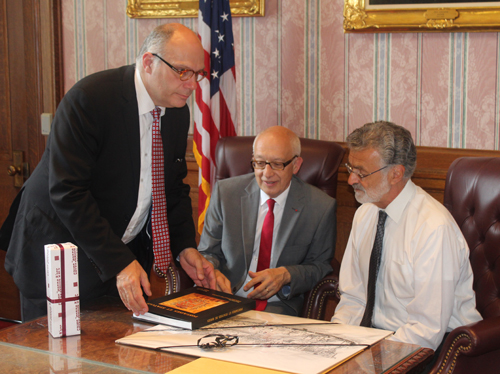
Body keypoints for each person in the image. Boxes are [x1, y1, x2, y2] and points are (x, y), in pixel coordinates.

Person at [0, 23, 215, 322]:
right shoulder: (91, 99)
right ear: (149, 62)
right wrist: (119, 263)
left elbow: (173, 188)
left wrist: (185, 247)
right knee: (56, 360)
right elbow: (68, 193)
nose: (192, 85)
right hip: (59, 251)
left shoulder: (176, 113)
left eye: (198, 74)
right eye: (182, 72)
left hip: (119, 255)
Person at [331, 121, 482, 352]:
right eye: (350, 169)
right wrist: (336, 344)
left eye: (361, 173)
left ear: (396, 174)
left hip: (435, 348)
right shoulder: (365, 214)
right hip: (374, 340)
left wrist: (373, 357)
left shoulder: (433, 228)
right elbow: (353, 298)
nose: (351, 180)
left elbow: (425, 328)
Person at [180, 126, 336, 316]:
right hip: (225, 297)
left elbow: (320, 265)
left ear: (296, 165)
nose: (267, 173)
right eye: (260, 163)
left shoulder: (320, 207)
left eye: (277, 164)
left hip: (279, 306)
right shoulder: (226, 193)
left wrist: (286, 274)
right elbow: (208, 251)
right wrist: (212, 270)